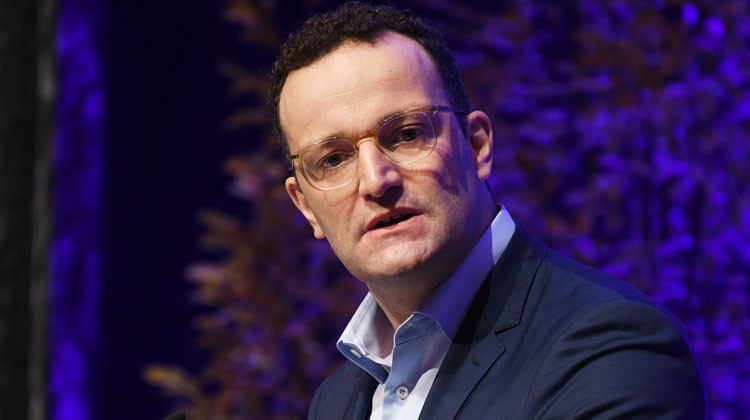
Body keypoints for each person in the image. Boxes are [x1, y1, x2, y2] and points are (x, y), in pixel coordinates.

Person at [269, 2, 707, 419]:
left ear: (477, 146)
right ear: (306, 206)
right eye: (333, 159)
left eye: (406, 134)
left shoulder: (612, 347)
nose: (376, 180)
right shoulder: (335, 401)